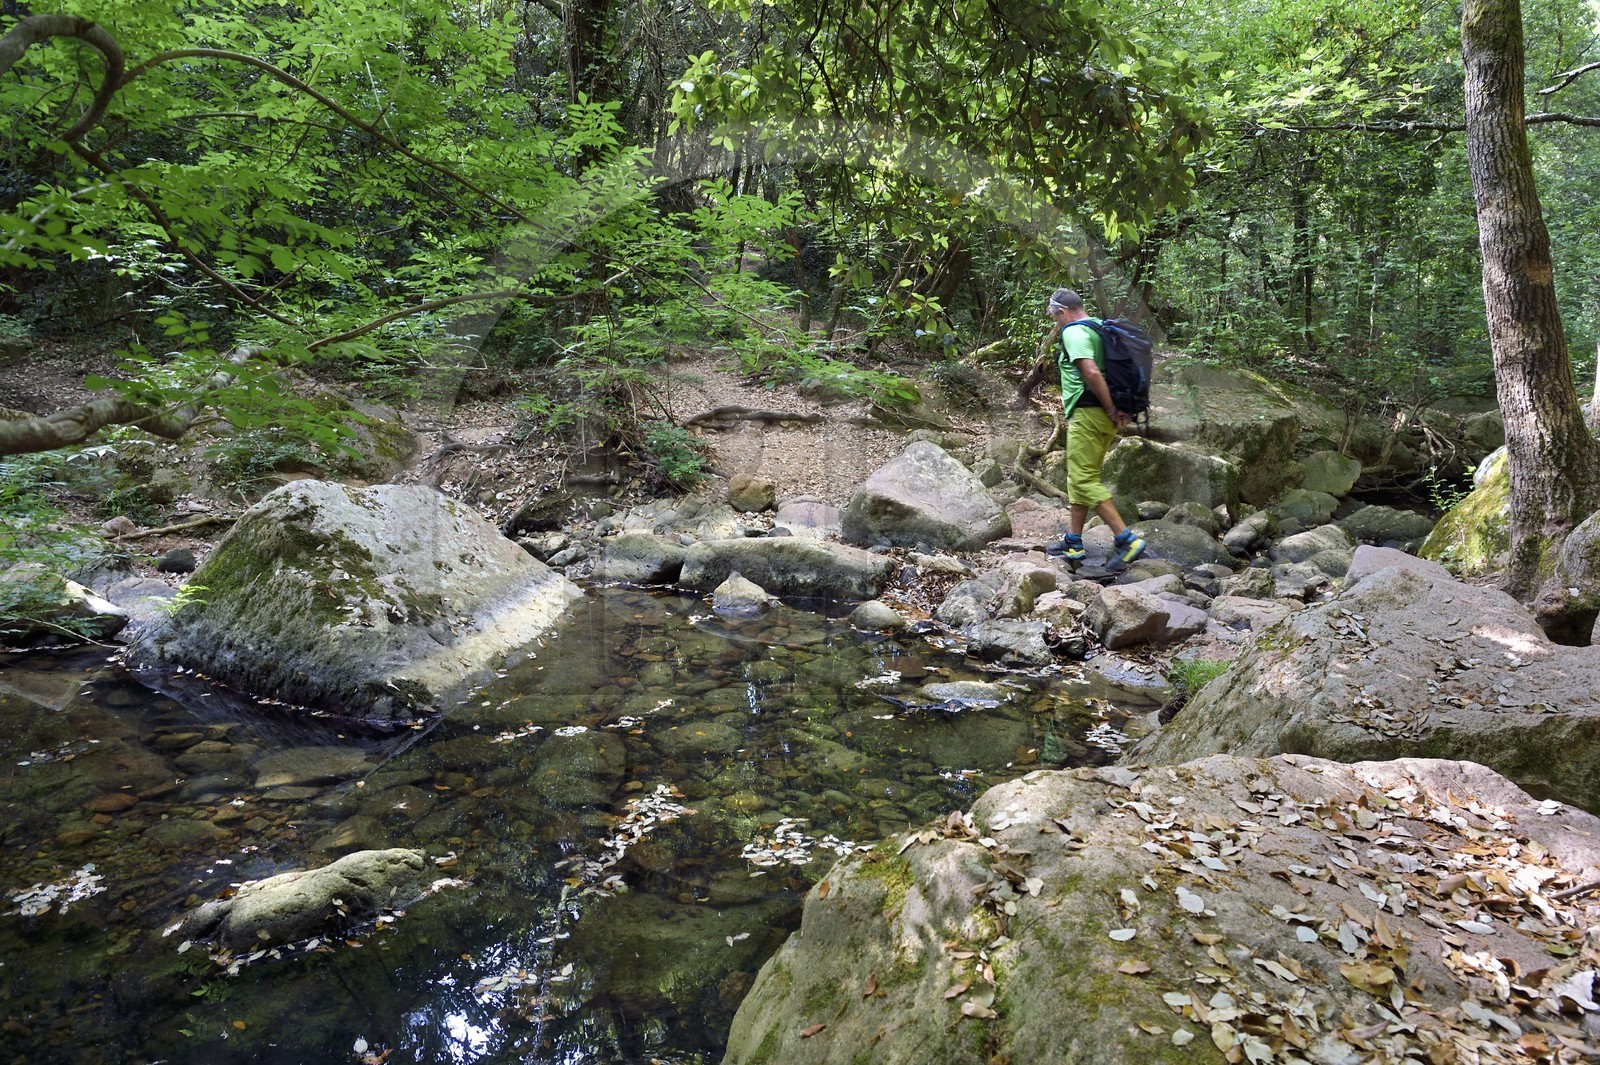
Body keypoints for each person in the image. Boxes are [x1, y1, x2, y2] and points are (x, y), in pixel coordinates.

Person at [1044, 287, 1146, 564]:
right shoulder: (1101, 328)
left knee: (1083, 479)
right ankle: (1074, 541)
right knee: (1082, 476)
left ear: (1062, 312)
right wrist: (1115, 409)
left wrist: (1112, 407)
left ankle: (1127, 540)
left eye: (1056, 317)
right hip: (1105, 417)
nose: (1056, 323)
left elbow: (1089, 371)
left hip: (1090, 413)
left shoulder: (1074, 331)